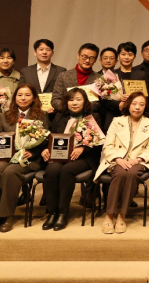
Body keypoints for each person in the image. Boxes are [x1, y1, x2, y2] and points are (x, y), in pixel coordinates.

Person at [0, 83, 50, 233]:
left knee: (10, 172)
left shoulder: (42, 115)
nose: (23, 98)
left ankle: (7, 215)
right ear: (15, 98)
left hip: (29, 158)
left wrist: (34, 153)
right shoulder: (5, 115)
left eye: (27, 95)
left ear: (33, 98)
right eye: (20, 95)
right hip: (6, 156)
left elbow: (45, 139)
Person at [41, 88, 103, 231]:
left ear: (85, 101)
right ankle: (52, 212)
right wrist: (46, 148)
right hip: (61, 155)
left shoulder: (94, 116)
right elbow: (50, 136)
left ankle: (63, 212)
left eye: (78, 99)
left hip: (86, 157)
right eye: (71, 100)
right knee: (51, 170)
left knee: (67, 171)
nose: (74, 103)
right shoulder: (60, 116)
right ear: (66, 102)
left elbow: (100, 142)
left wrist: (83, 148)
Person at [95, 92, 149, 234]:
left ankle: (122, 215)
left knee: (133, 172)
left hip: (139, 160)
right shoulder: (117, 121)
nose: (137, 107)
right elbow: (107, 145)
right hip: (117, 159)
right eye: (134, 103)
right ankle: (109, 215)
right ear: (128, 105)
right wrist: (117, 158)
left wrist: (138, 159)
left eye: (141, 104)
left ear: (145, 107)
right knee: (121, 173)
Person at [51, 43, 101, 113]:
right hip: (66, 117)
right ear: (78, 56)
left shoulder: (99, 79)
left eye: (91, 58)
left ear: (95, 60)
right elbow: (55, 100)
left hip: (89, 117)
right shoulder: (63, 76)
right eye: (84, 57)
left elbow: (100, 103)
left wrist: (84, 108)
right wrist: (70, 108)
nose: (87, 60)